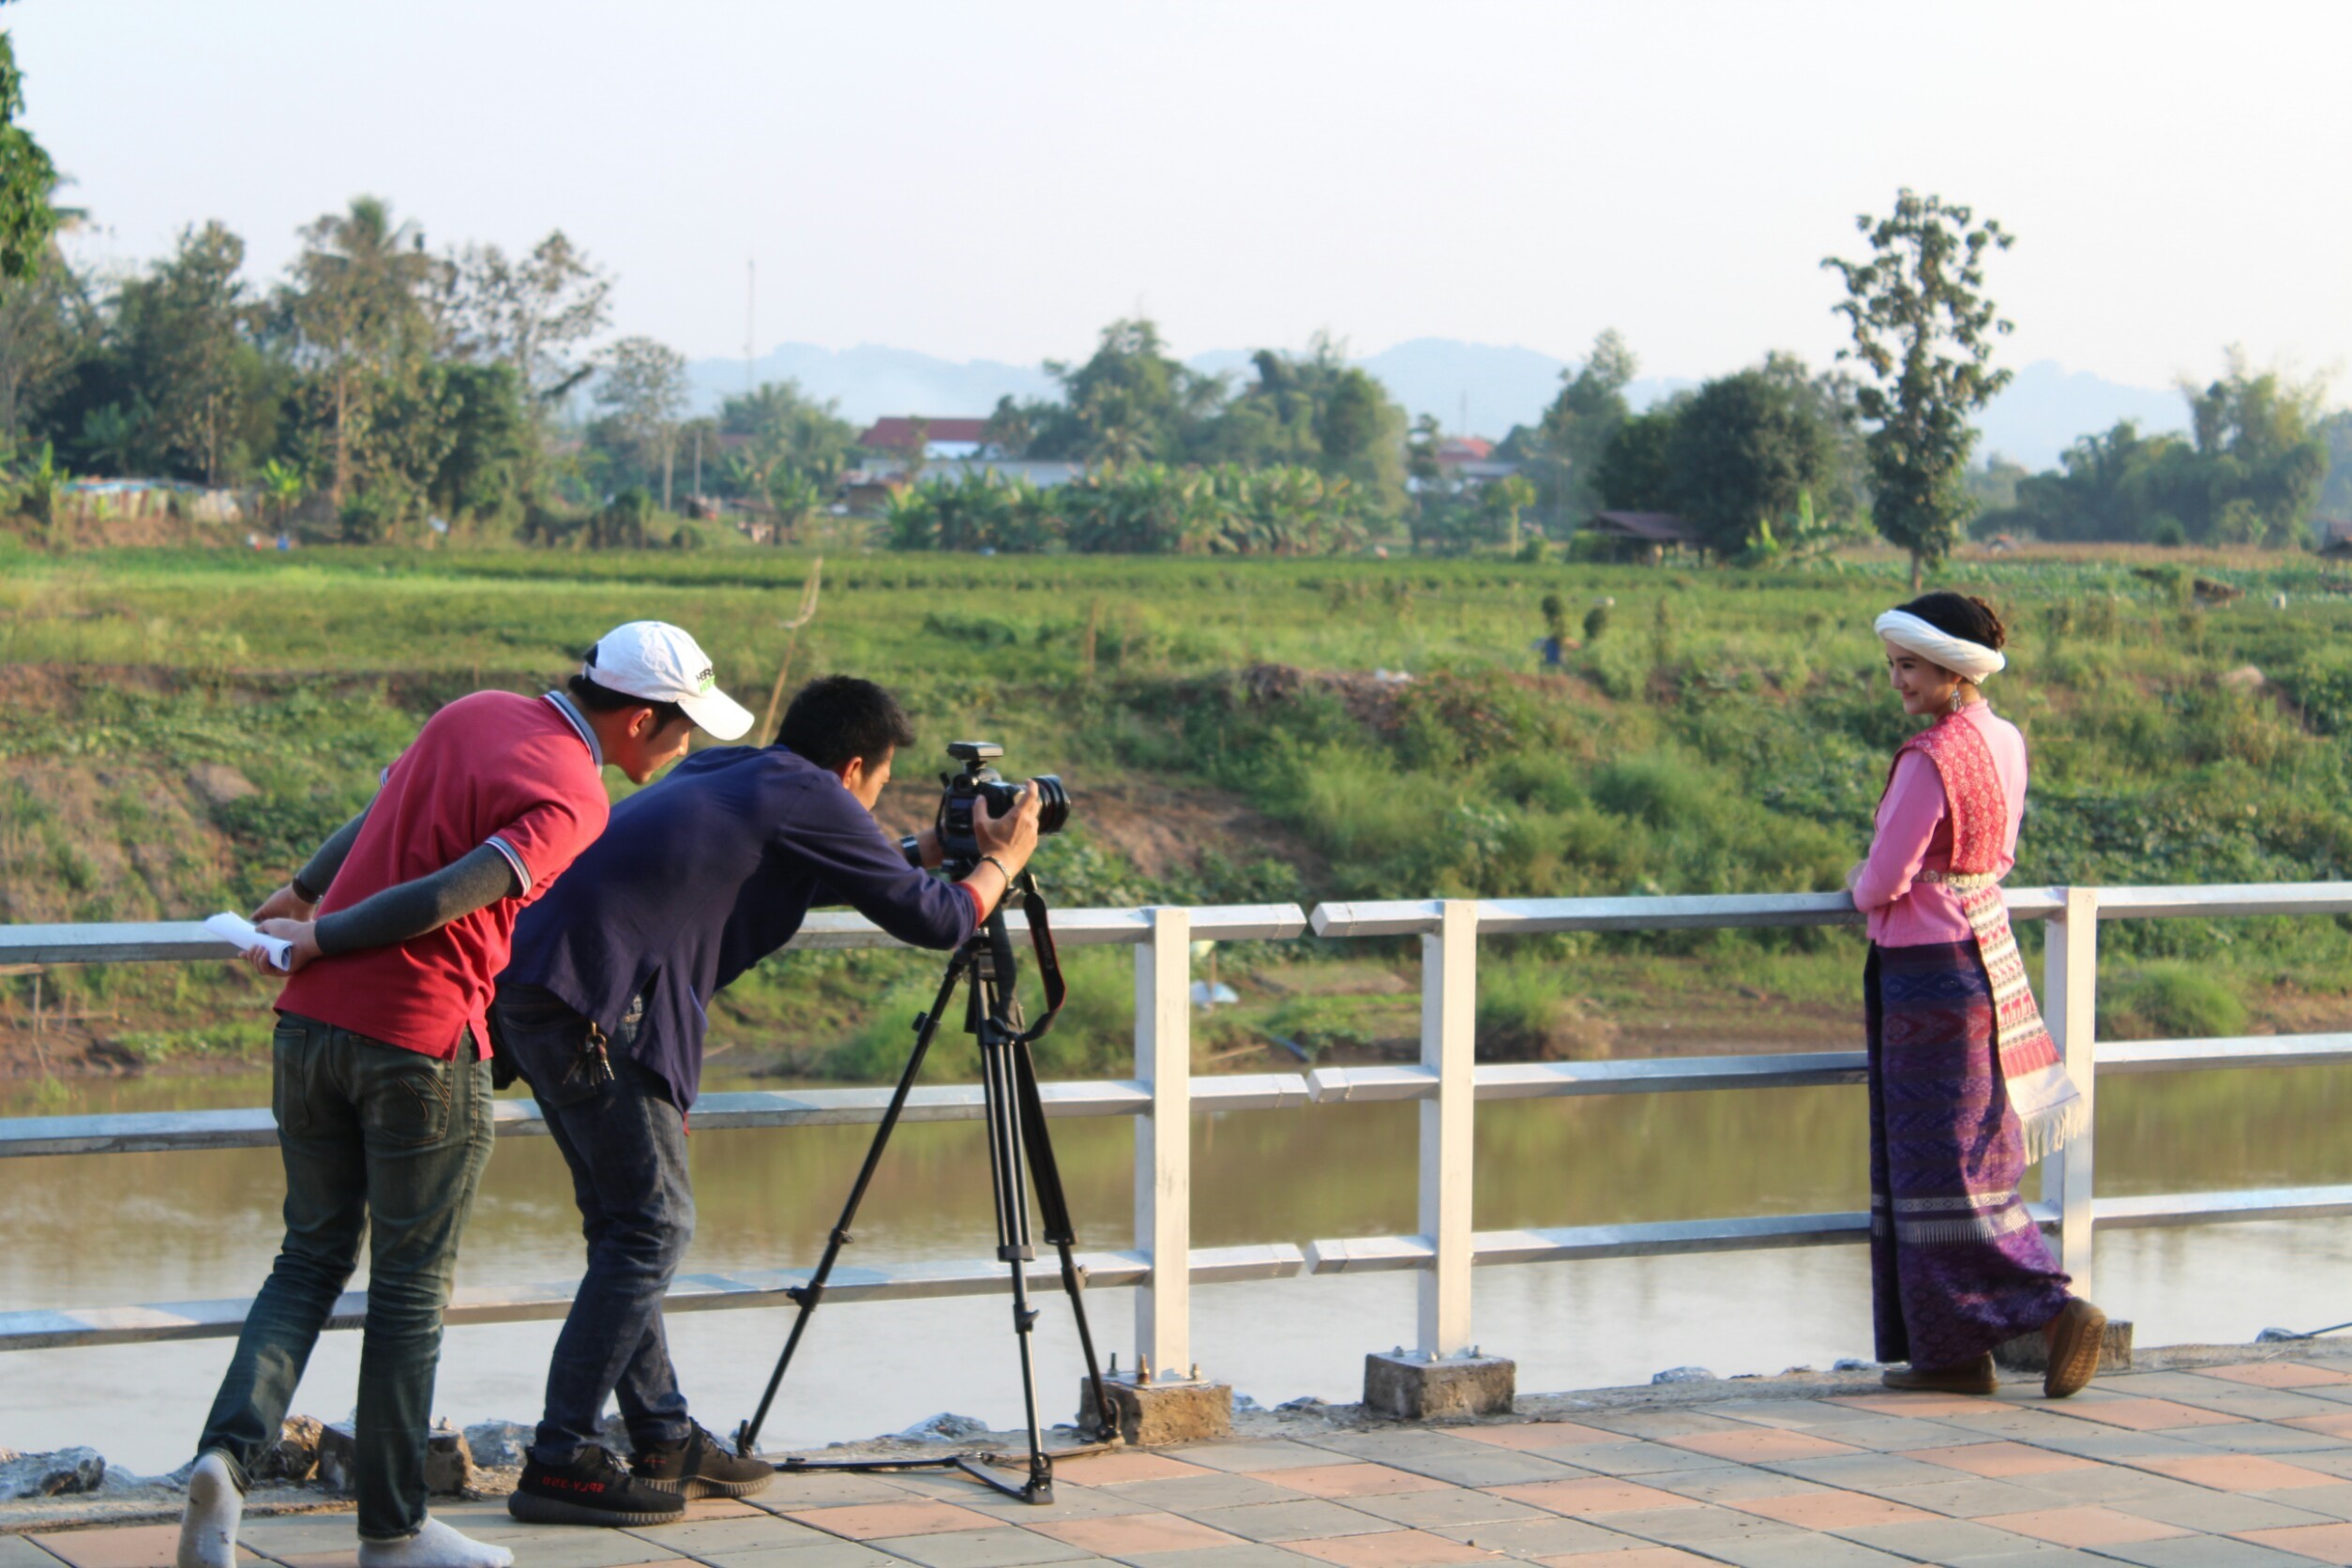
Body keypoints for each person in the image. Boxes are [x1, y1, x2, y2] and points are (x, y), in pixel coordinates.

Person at [177, 624, 753, 1568]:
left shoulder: (473, 712)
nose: (686, 744)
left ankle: (225, 1458)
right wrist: (321, 933)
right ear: (639, 718)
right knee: (409, 1292)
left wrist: (302, 892)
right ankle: (392, 1531)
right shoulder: (577, 793)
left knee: (308, 1259)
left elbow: (376, 815)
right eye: (683, 725)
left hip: (309, 1030)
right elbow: (450, 894)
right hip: (420, 1042)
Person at [491, 675, 1042, 1528]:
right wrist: (1004, 861)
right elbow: (939, 923)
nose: (872, 801)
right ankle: (561, 1458)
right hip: (602, 1005)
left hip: (542, 987)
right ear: (852, 769)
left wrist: (928, 849)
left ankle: (663, 1437)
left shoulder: (734, 771)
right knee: (651, 1229)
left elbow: (801, 875)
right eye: (879, 783)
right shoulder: (811, 795)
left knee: (626, 1224)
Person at [1849, 592, 2107, 1399]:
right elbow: (1998, 854)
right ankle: (1951, 1355)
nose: (1898, 680)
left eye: (1910, 666)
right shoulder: (2003, 738)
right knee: (1970, 1159)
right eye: (1893, 666)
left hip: (1926, 971)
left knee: (1939, 1172)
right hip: (1984, 954)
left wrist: (1860, 882)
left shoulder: (1928, 756)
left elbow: (1884, 879)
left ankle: (2053, 1312)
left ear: (1953, 669)